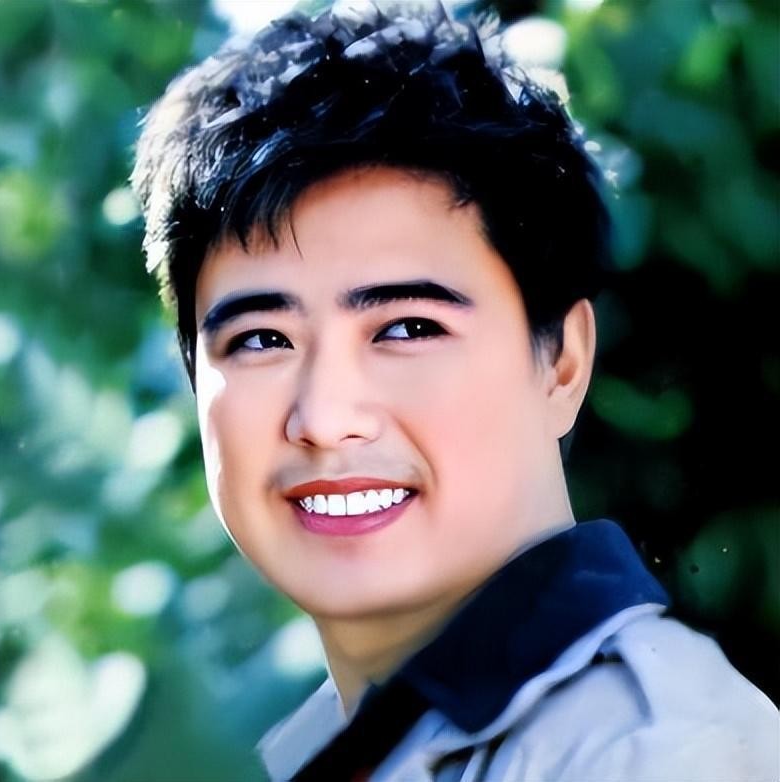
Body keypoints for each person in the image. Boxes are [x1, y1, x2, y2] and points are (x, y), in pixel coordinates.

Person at [131, 2, 778, 780]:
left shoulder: (655, 753)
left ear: (562, 363)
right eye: (262, 339)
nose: (326, 420)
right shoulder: (361, 746)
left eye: (407, 329)